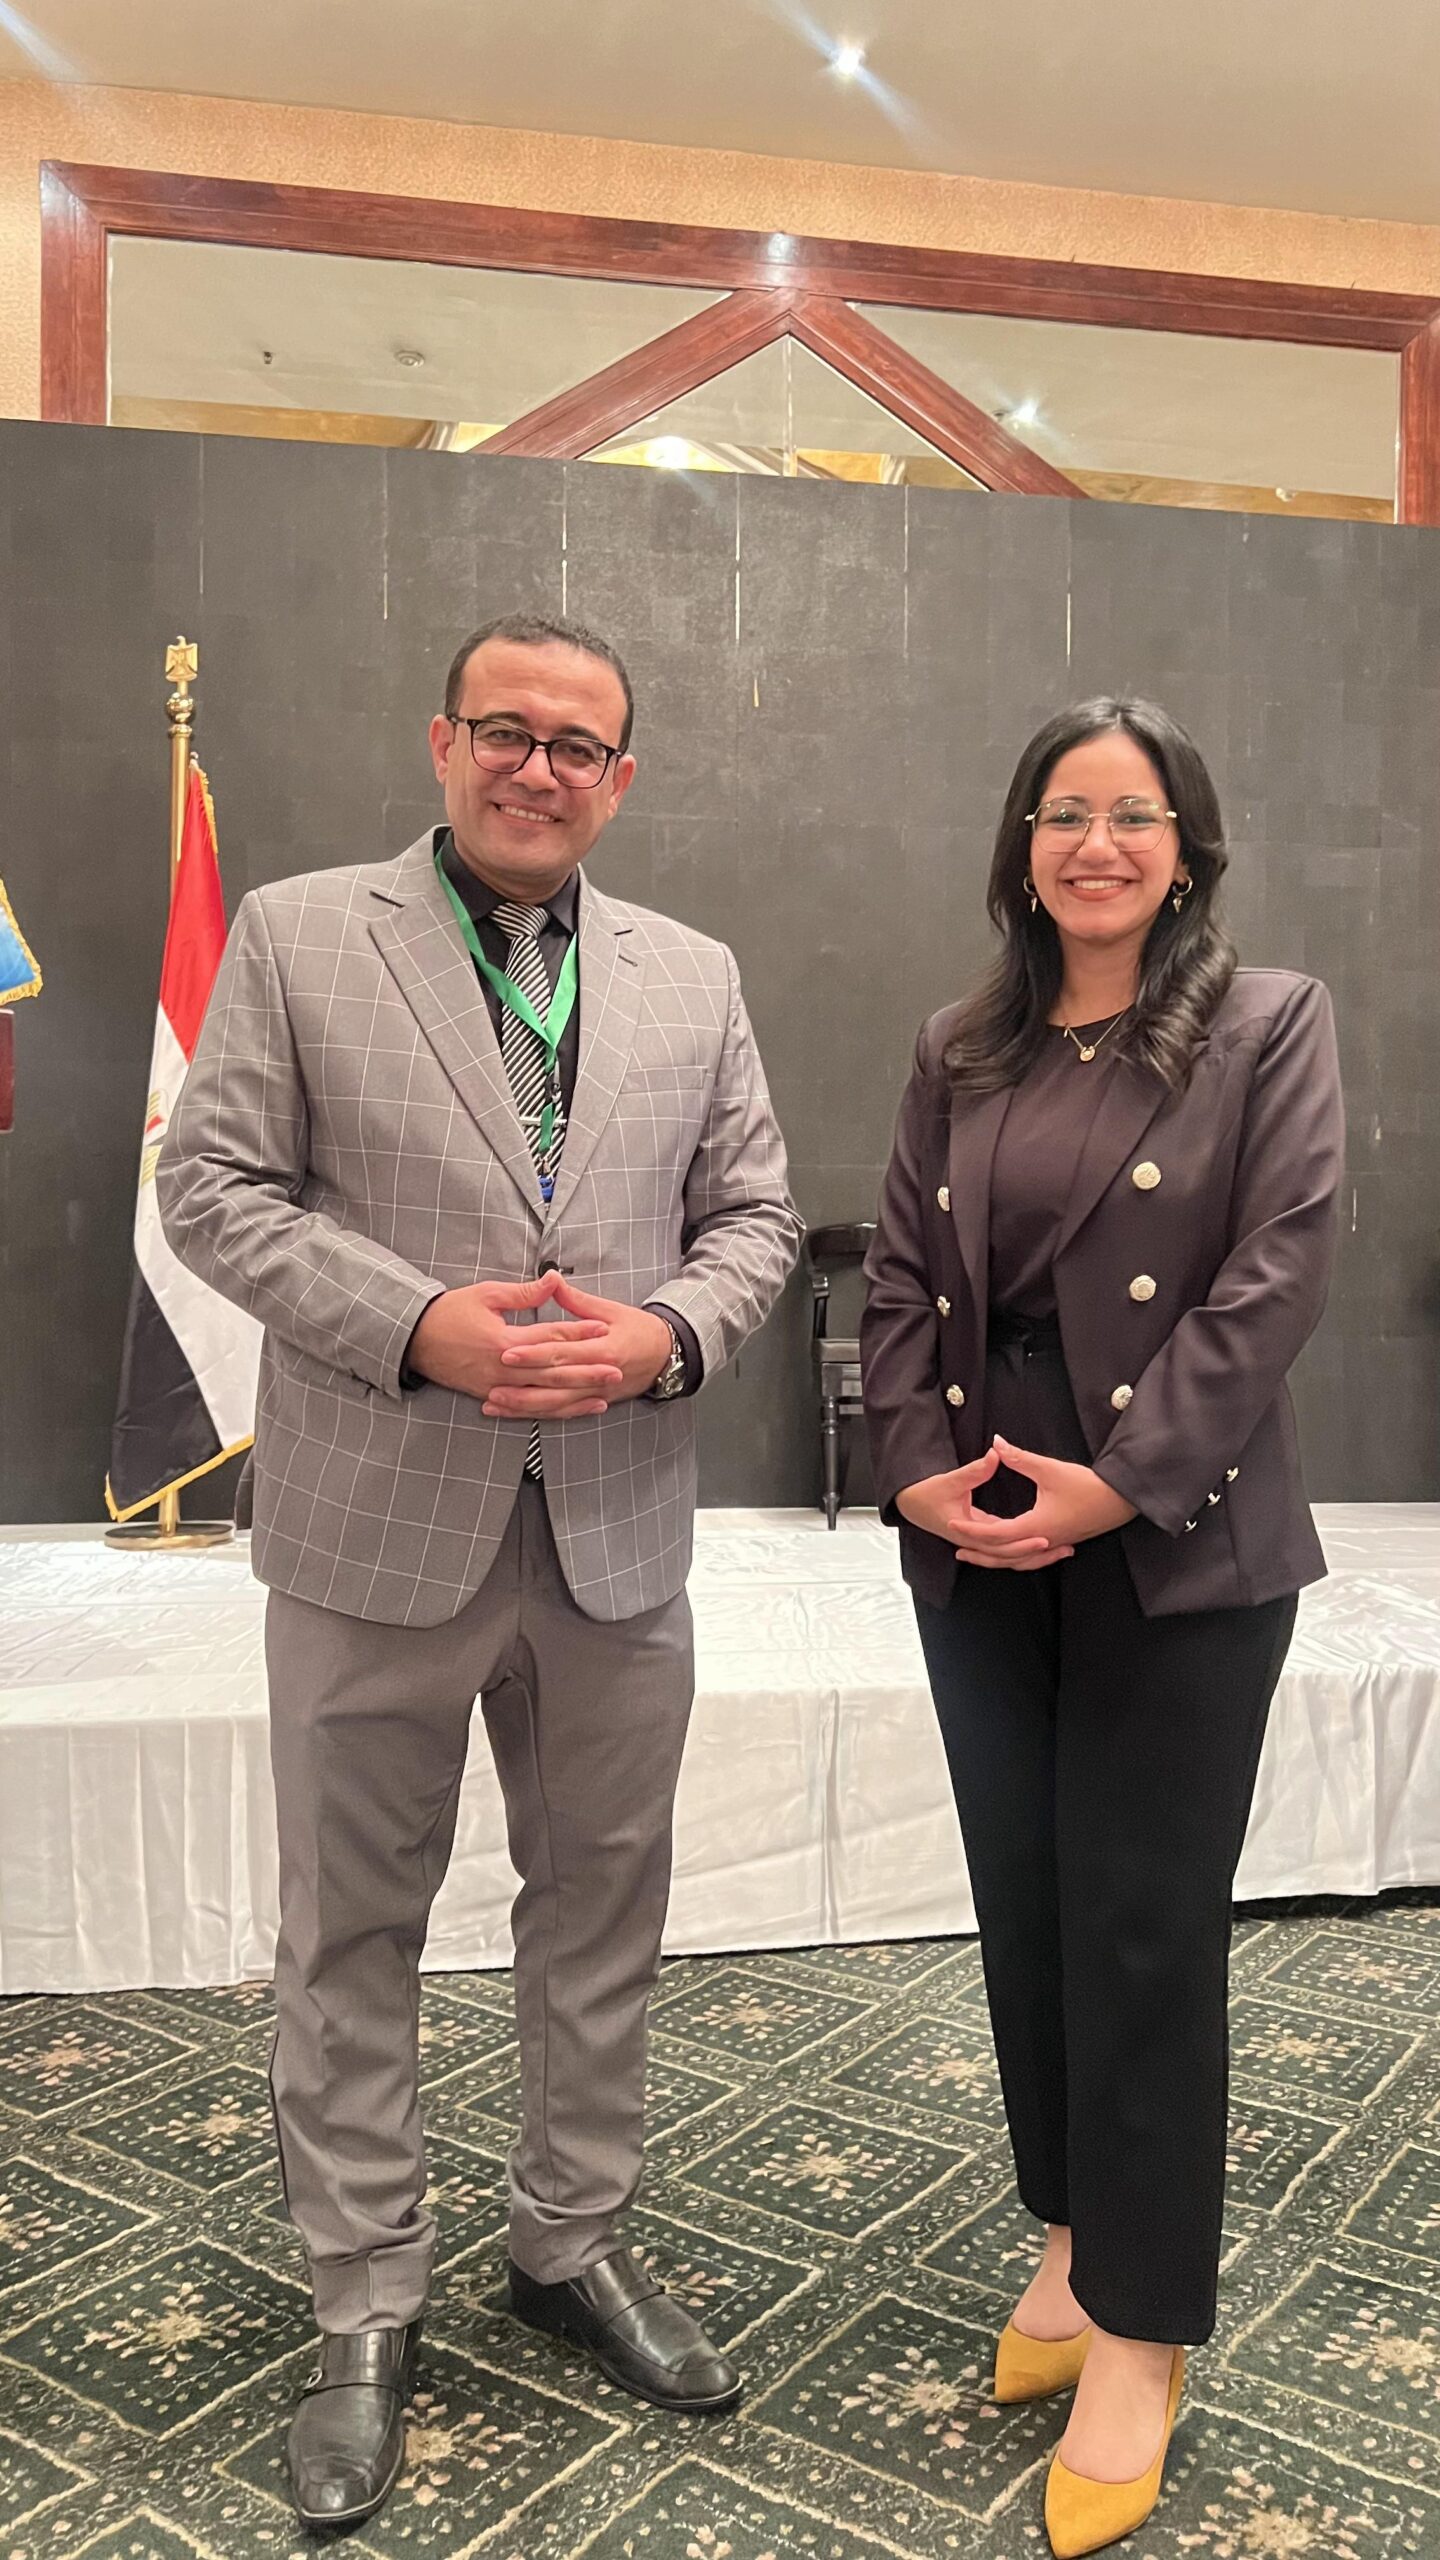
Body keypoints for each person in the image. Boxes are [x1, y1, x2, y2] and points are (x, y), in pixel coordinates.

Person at [157, 611, 802, 2530]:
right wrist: (415, 1321)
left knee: (602, 1909)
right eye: (504, 730)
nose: (539, 766)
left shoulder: (694, 972)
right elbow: (211, 1189)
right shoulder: (298, 933)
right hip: (375, 1522)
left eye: (577, 744)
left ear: (623, 777)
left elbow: (757, 1215)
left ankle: (570, 2235)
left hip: (616, 1536)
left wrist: (667, 1337)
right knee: (352, 1927)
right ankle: (365, 2292)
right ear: (441, 742)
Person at [860, 698, 1342, 2559]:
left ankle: (1142, 2329)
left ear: (1187, 849)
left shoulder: (1266, 1023)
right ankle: (1069, 2240)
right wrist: (916, 1472)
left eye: (1135, 816)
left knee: (1140, 1930)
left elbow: (1277, 1273)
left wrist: (1118, 1485)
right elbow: (903, 1268)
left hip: (1170, 1533)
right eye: (1065, 814)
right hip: (987, 1525)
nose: (1098, 845)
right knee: (1031, 1905)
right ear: (1023, 845)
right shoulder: (959, 1042)